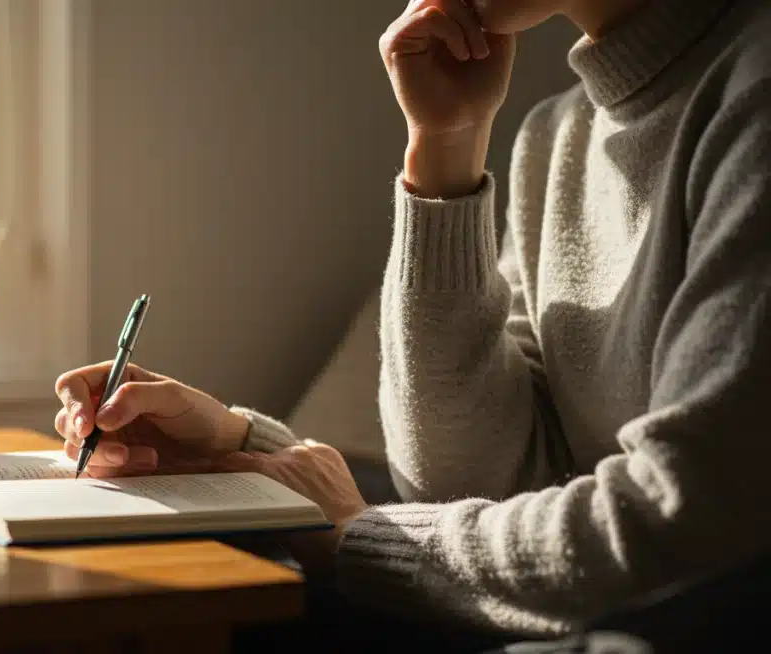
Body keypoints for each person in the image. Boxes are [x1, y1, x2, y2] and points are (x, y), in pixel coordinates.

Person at [53, 0, 771, 650]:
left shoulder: (752, 96)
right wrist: (446, 146)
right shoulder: (557, 136)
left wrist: (360, 534)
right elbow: (468, 484)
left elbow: (683, 525)